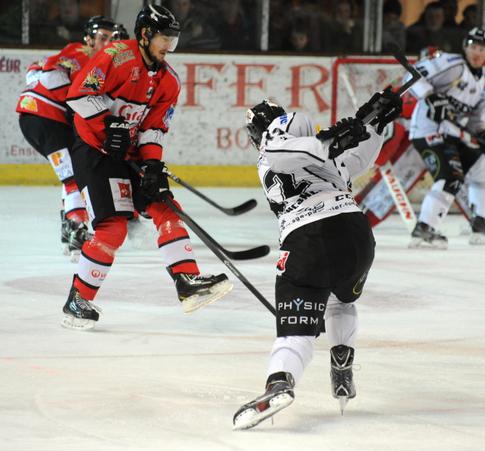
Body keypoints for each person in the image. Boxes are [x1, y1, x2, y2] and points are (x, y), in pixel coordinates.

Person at [232, 89, 402, 430]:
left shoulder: (273, 144)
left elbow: (288, 143)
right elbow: (358, 159)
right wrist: (376, 127)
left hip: (309, 241)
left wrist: (349, 132)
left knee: (295, 334)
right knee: (341, 301)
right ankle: (342, 361)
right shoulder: (317, 152)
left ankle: (280, 382)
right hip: (356, 236)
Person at [60, 4, 233, 330]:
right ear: (144, 35)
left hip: (130, 154)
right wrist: (108, 123)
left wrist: (152, 164)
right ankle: (78, 299)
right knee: (113, 228)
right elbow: (79, 93)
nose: (169, 46)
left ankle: (186, 281)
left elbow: (153, 128)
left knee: (166, 206)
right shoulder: (115, 55)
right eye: (164, 38)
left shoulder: (169, 81)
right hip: (95, 151)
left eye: (173, 40)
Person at [16, 15, 121, 259]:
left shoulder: (82, 56)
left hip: (40, 117)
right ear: (89, 38)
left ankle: (69, 227)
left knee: (72, 172)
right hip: (44, 118)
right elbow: (49, 69)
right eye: (103, 37)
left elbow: (35, 70)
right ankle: (77, 228)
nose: (107, 43)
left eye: (112, 39)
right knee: (72, 175)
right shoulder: (82, 53)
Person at [406, 27, 485, 249]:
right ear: (465, 46)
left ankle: (480, 220)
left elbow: (477, 122)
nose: (476, 52)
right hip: (427, 131)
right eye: (473, 46)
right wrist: (430, 97)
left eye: (482, 48)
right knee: (451, 176)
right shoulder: (451, 64)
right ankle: (424, 229)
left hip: (453, 136)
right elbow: (411, 75)